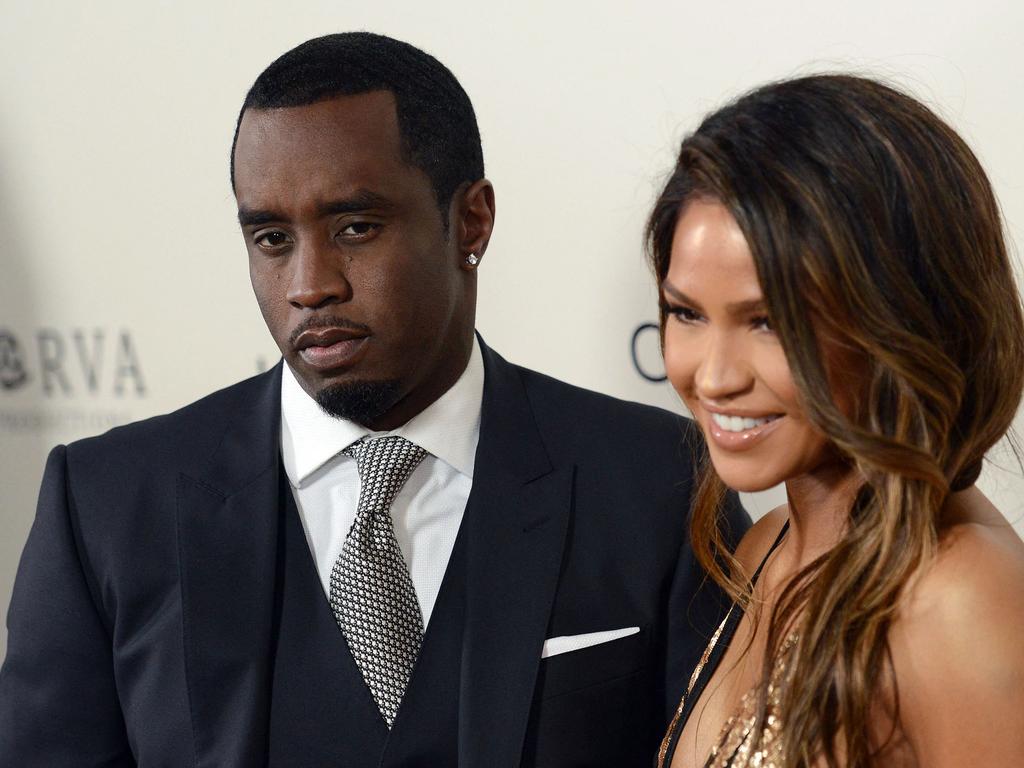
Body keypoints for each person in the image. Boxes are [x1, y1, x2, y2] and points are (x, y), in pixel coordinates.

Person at [0, 33, 747, 767]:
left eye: (355, 226)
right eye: (270, 239)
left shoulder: (659, 483)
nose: (308, 285)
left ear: (472, 222)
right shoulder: (106, 504)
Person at [649, 73, 1024, 767]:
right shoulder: (763, 550)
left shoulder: (961, 600)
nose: (715, 376)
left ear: (901, 318)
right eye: (686, 313)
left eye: (770, 322)